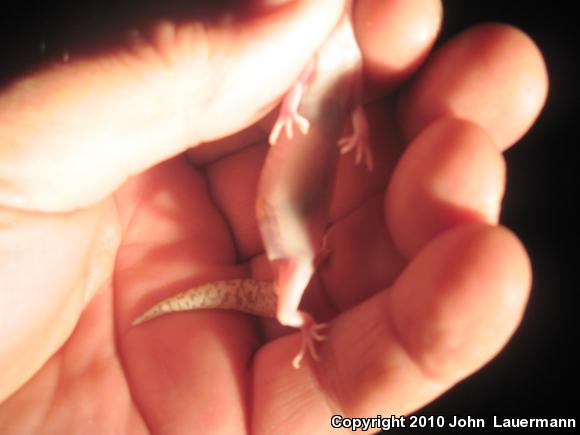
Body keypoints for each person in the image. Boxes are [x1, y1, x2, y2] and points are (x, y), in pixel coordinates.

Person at [0, 0, 547, 432]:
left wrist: (353, 126)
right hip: (285, 221)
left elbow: (343, 95)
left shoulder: (347, 51)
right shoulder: (324, 38)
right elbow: (308, 88)